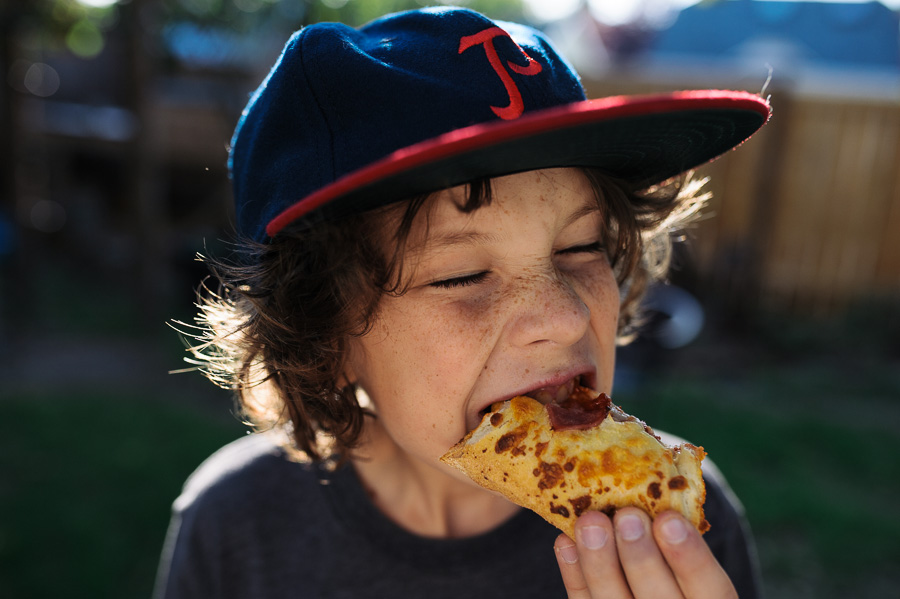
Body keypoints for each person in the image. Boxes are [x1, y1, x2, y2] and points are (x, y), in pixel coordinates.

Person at [154, 6, 770, 598]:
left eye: (581, 246)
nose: (567, 317)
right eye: (463, 275)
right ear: (322, 337)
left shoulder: (683, 533)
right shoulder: (235, 528)